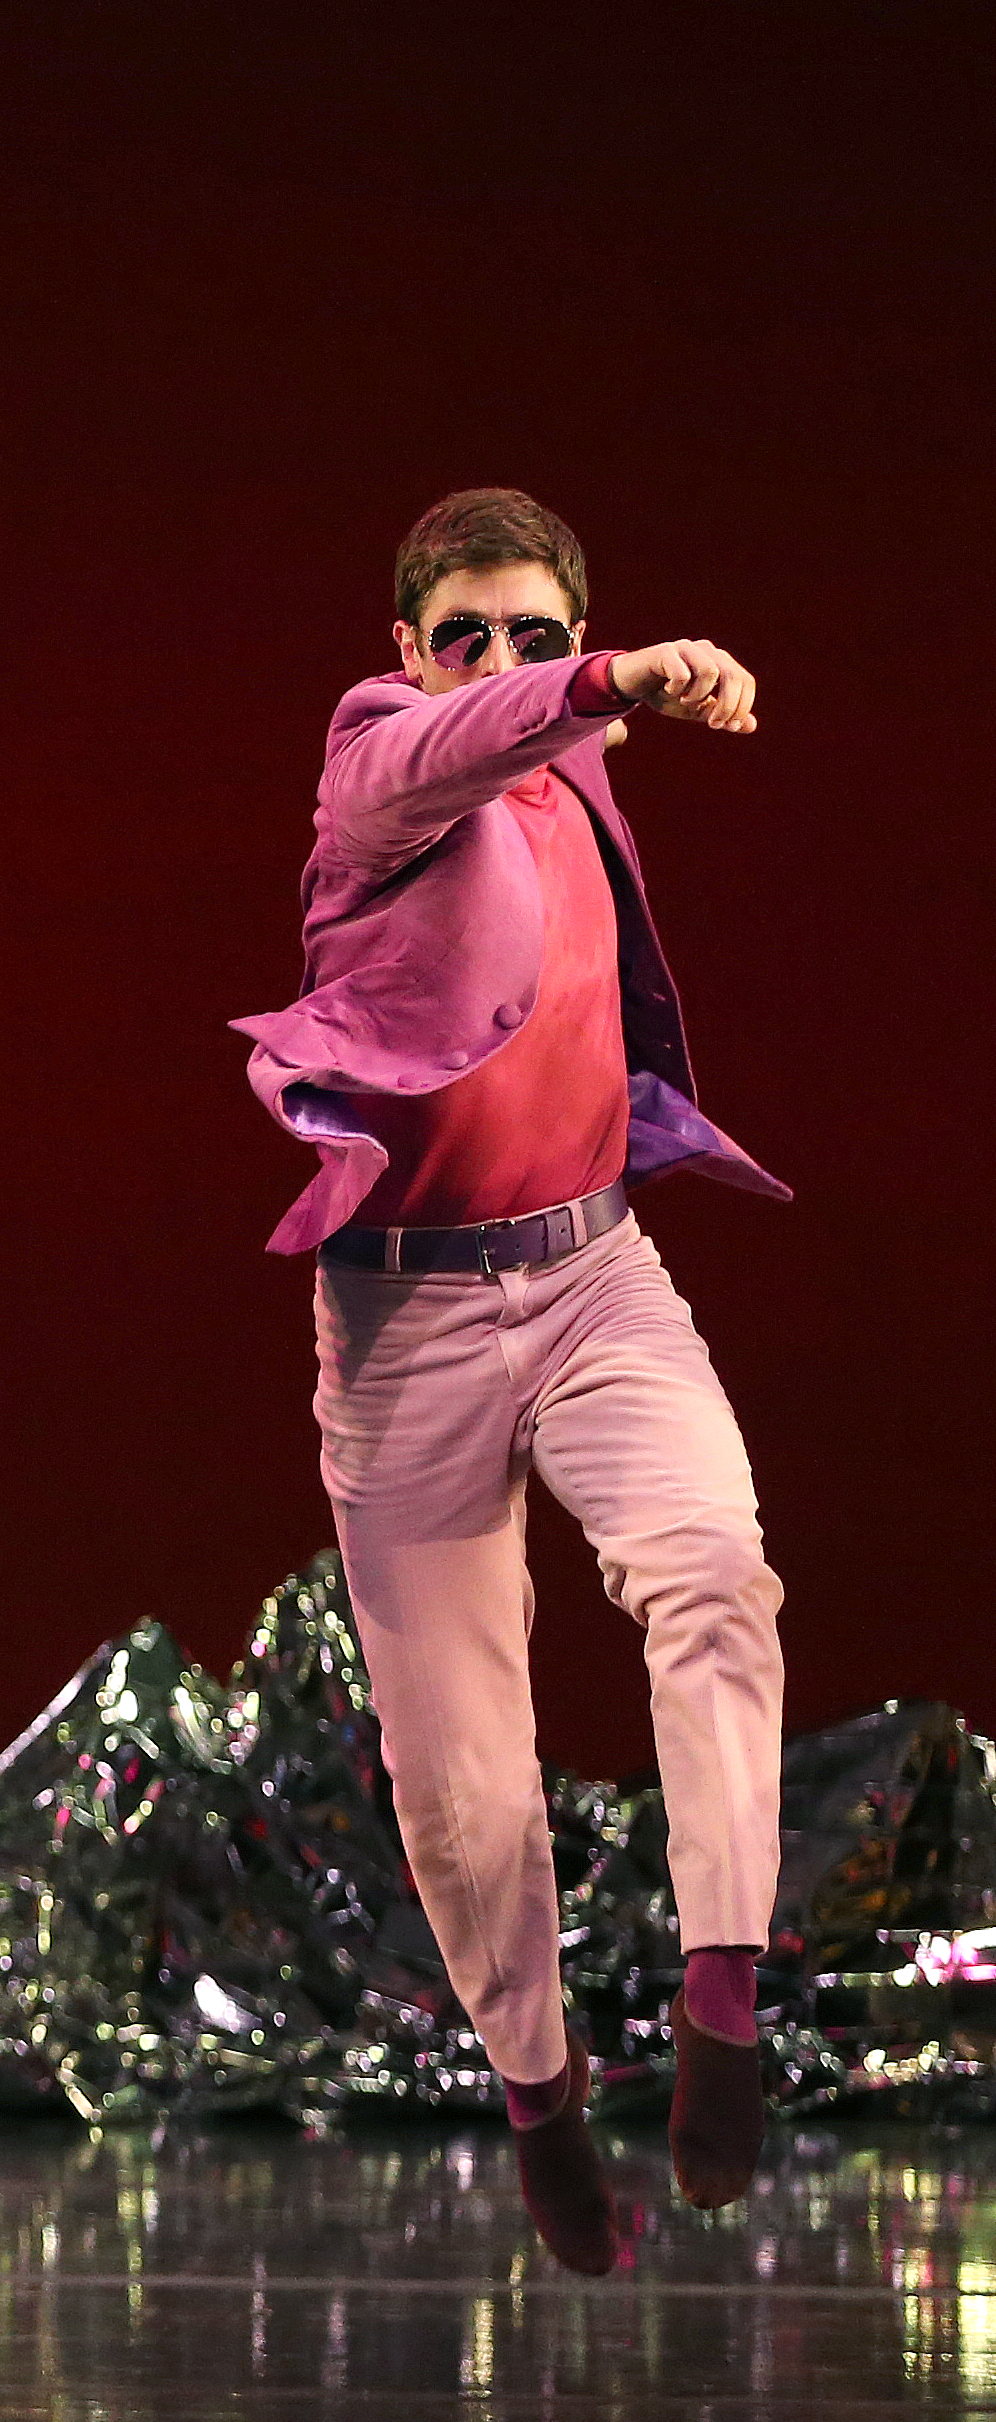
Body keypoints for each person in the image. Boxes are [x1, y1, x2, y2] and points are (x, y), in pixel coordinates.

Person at [234, 488, 782, 2274]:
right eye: (458, 634)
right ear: (404, 655)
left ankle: (719, 2000)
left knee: (711, 1572)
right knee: (461, 1778)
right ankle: (541, 2100)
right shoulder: (379, 759)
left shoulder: (573, 759)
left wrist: (593, 693)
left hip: (597, 1275)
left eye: (531, 632)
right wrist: (608, 675)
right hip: (404, 1329)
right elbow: (458, 747)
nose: (496, 662)